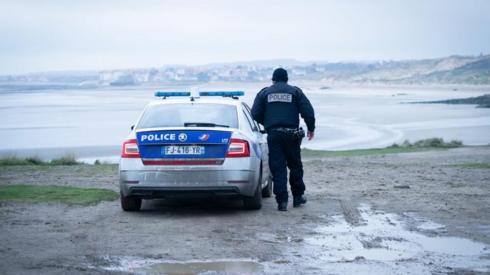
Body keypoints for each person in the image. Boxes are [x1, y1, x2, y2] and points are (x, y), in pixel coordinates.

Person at [251, 68, 315, 211]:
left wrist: (267, 124)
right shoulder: (295, 91)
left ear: (273, 79)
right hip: (292, 135)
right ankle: (298, 197)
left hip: (274, 135)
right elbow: (308, 111)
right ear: (287, 79)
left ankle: (282, 202)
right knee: (295, 166)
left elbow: (254, 113)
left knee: (278, 167)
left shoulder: (264, 93)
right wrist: (311, 128)